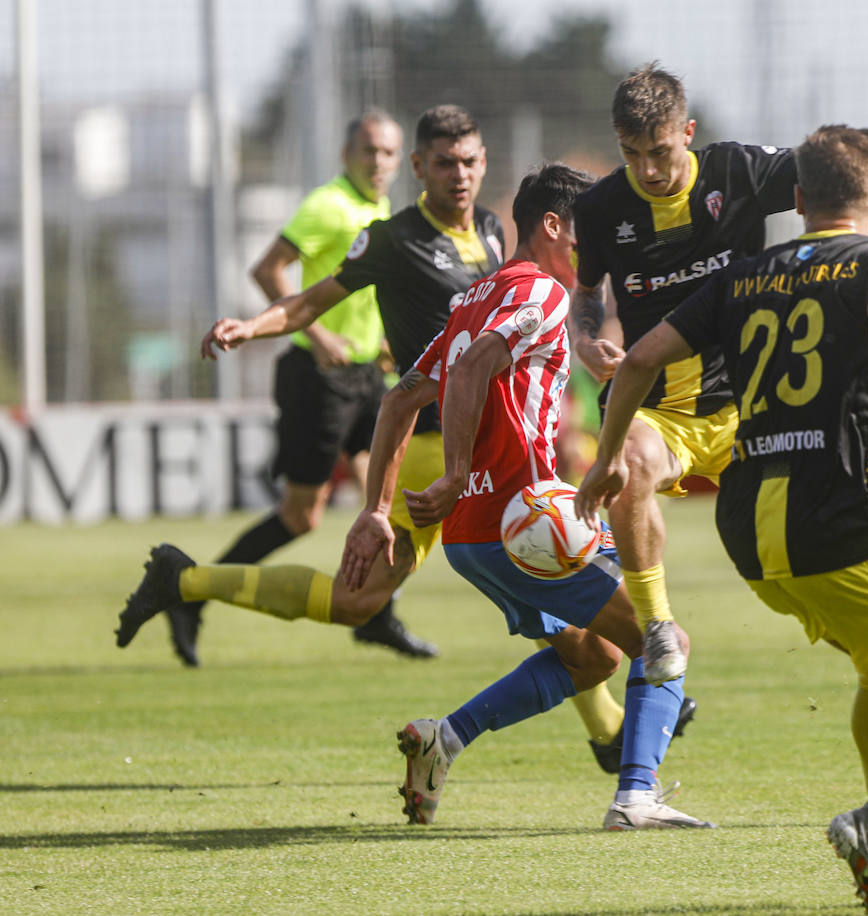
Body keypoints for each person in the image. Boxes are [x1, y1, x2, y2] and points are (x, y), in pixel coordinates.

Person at [118, 108, 657, 773]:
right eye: (442, 163)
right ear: (419, 170)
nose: (459, 176)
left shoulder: (493, 235)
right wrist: (254, 327)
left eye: (469, 162)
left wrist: (580, 349)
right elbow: (314, 300)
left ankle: (610, 727)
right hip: (435, 449)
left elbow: (527, 325)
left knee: (564, 604)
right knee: (357, 598)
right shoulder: (393, 239)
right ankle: (189, 578)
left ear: (484, 163)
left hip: (486, 454)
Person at [577, 125, 868, 910]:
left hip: (748, 526)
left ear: (795, 201)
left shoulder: (744, 275)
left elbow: (639, 358)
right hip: (832, 514)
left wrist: (610, 456)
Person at [570, 63, 868, 683]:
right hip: (663, 411)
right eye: (632, 155)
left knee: (867, 619)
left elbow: (856, 163)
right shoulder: (602, 207)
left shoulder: (736, 170)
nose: (649, 170)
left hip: (752, 408)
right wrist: (583, 336)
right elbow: (585, 293)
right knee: (625, 459)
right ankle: (658, 629)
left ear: (686, 131)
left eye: (659, 151)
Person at [337, 163, 710, 830]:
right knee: (665, 640)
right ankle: (636, 797)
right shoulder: (541, 291)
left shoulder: (476, 296)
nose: (592, 252)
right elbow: (480, 365)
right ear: (552, 226)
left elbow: (401, 399)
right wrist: (451, 470)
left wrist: (375, 507)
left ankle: (442, 740)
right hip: (528, 522)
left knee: (592, 654)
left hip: (472, 536)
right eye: (586, 234)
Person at [165, 109, 437, 665]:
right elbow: (268, 270)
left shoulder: (379, 209)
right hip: (317, 377)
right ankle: (190, 589)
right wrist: (318, 337)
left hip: (367, 376)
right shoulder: (328, 205)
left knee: (386, 503)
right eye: (369, 152)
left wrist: (380, 343)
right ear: (346, 156)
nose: (379, 163)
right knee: (301, 516)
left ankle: (376, 616)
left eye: (388, 153)